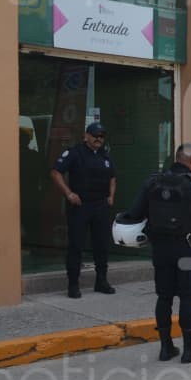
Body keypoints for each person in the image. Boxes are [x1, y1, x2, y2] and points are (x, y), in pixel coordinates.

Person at [123, 143, 191, 363]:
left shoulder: (152, 183)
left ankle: (166, 347)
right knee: (188, 297)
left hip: (160, 250)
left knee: (164, 297)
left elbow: (134, 213)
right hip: (187, 250)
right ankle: (190, 349)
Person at [50, 122, 117, 298]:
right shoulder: (75, 153)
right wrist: (69, 193)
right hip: (80, 206)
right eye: (95, 135)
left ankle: (101, 281)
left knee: (101, 245)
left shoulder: (105, 155)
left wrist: (111, 196)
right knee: (76, 246)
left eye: (101, 136)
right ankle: (73, 285)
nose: (98, 139)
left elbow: (112, 177)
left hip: (101, 206)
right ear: (86, 136)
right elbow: (56, 172)